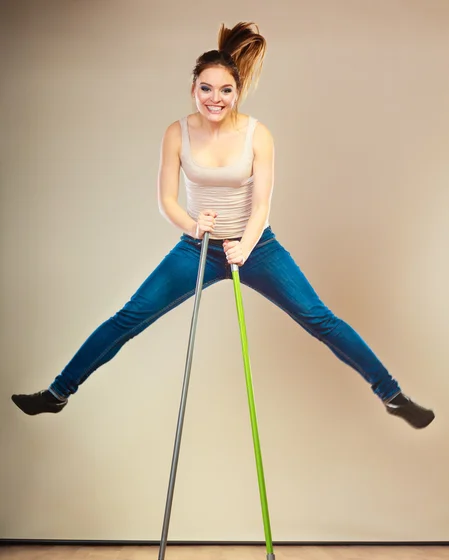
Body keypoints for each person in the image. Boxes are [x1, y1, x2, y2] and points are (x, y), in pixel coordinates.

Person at [11, 22, 434, 429]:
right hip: (198, 247)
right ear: (193, 88)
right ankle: (58, 393)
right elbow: (166, 201)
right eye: (206, 89)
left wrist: (246, 245)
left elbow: (263, 202)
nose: (215, 98)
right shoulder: (176, 133)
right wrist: (194, 227)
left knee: (318, 317)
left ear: (237, 91)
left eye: (225, 90)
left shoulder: (258, 135)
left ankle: (392, 395)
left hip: (257, 248)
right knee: (130, 317)